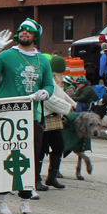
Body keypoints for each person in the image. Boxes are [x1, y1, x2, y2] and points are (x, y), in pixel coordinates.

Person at [0, 18, 54, 214]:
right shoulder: (7, 55)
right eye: (22, 30)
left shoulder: (43, 61)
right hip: (8, 116)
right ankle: (1, 201)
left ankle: (25, 202)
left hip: (32, 116)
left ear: (35, 36)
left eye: (29, 31)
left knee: (30, 159)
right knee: (6, 158)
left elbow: (49, 85)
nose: (24, 33)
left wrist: (45, 94)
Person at [38, 56, 76, 193]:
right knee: (41, 148)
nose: (61, 75)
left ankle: (52, 177)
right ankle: (36, 178)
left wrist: (72, 103)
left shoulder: (55, 80)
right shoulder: (45, 78)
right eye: (59, 72)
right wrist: (67, 107)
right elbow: (49, 99)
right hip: (45, 117)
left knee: (58, 146)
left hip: (55, 118)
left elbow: (61, 95)